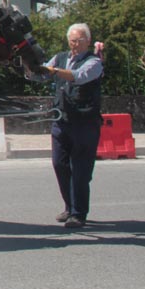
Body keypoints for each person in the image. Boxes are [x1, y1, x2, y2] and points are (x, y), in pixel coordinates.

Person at [44, 23, 104, 229]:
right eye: (72, 40)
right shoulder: (59, 58)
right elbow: (42, 73)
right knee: (59, 164)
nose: (75, 44)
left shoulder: (94, 62)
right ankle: (69, 207)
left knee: (80, 170)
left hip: (84, 123)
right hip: (61, 121)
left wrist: (54, 71)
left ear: (88, 41)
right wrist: (29, 68)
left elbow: (78, 76)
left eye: (79, 40)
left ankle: (78, 213)